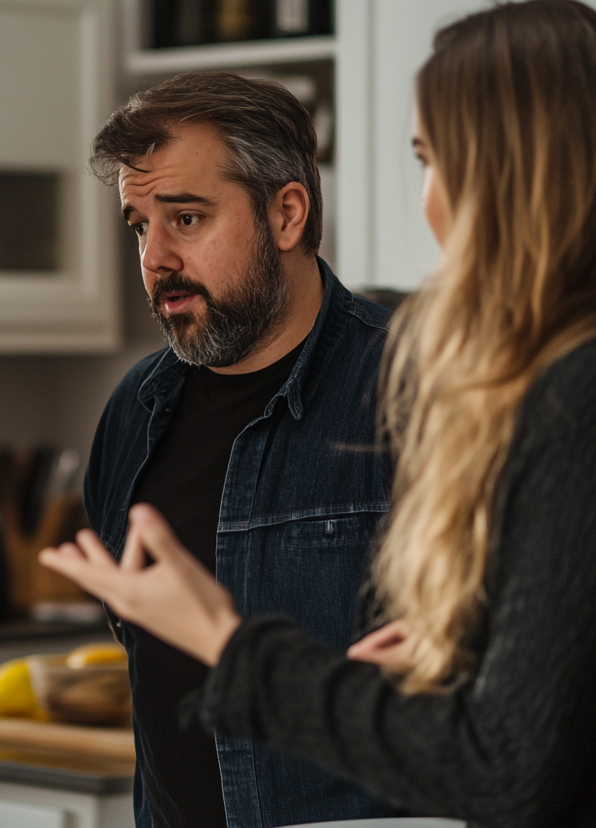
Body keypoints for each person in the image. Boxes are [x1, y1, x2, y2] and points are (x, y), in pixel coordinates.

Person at [43, 0, 596, 828]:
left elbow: (504, 763)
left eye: (434, 159)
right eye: (140, 225)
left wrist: (230, 644)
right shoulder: (137, 411)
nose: (425, 200)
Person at [82, 71, 396, 827]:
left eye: (186, 219)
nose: (155, 258)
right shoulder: (136, 408)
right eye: (138, 226)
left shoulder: (416, 389)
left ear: (286, 213)